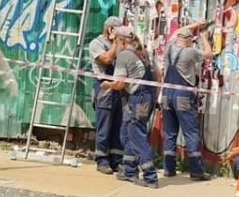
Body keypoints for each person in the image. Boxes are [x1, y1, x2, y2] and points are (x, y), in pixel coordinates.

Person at [100, 27, 158, 188]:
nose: (113, 45)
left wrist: (106, 85)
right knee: (126, 133)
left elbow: (119, 84)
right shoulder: (143, 53)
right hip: (146, 97)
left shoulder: (124, 56)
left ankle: (150, 176)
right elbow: (157, 76)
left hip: (137, 99)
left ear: (121, 40)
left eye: (114, 41)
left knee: (137, 136)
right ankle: (129, 170)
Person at [161, 19, 213, 180]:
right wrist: (204, 37)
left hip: (166, 95)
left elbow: (178, 32)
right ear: (189, 40)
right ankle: (196, 170)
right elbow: (209, 55)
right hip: (183, 96)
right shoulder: (190, 52)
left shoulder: (169, 48)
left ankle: (168, 169)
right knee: (191, 133)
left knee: (170, 133)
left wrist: (195, 24)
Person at [89, 16, 124, 174]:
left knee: (118, 126)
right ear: (110, 29)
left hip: (119, 88)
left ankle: (116, 160)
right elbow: (107, 59)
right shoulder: (96, 44)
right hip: (104, 87)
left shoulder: (120, 44)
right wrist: (116, 44)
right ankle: (102, 160)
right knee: (104, 126)